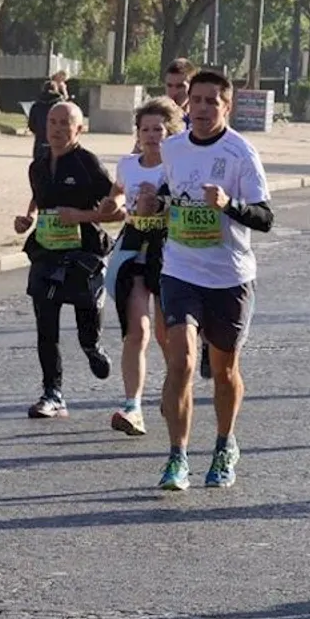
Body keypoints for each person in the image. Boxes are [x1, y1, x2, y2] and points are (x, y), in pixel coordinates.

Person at [155, 70, 273, 491]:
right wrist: (157, 201)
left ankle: (224, 443)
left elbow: (264, 218)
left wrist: (228, 204)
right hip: (180, 269)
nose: (202, 109)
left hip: (229, 276)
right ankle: (178, 457)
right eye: (196, 100)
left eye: (211, 102)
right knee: (182, 361)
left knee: (223, 371)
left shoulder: (241, 153)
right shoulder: (172, 148)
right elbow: (171, 192)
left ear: (227, 106)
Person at [17, 100, 116, 419]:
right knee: (46, 326)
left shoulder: (88, 163)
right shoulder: (38, 164)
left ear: (79, 129)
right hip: (46, 252)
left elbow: (116, 208)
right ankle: (52, 393)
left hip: (82, 253)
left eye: (65, 123)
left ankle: (92, 347)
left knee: (86, 321)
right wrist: (28, 217)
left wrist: (81, 215)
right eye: (53, 123)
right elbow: (39, 194)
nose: (58, 129)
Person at [107, 98, 182, 436]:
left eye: (158, 130)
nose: (152, 136)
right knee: (137, 331)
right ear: (137, 134)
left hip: (169, 252)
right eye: (146, 130)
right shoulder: (128, 164)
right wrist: (114, 203)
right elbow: (118, 195)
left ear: (170, 133)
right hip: (134, 248)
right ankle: (132, 406)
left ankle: (174, 392)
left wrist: (161, 203)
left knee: (168, 335)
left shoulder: (177, 166)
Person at [26, 73, 66, 161]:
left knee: (39, 166)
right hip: (58, 140)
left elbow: (32, 125)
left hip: (41, 140)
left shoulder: (36, 105)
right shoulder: (61, 106)